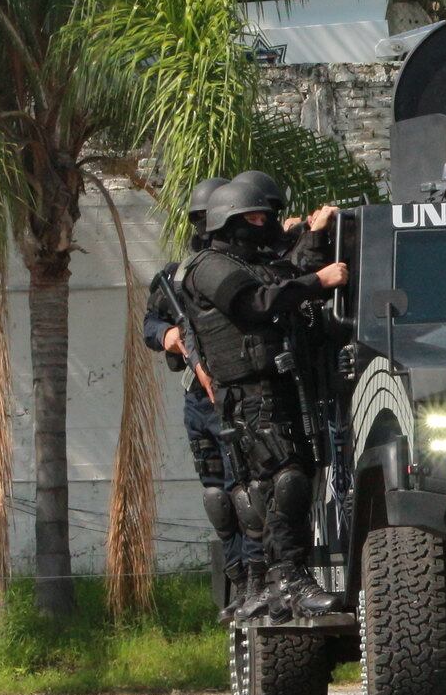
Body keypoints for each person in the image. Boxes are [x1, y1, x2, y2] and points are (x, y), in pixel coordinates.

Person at [181, 180, 349, 622]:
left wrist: (312, 239)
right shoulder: (210, 267)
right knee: (284, 479)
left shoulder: (254, 262)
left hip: (280, 387)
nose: (264, 225)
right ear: (226, 221)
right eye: (253, 218)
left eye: (266, 217)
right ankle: (286, 579)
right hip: (248, 395)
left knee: (293, 479)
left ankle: (281, 581)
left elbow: (289, 281)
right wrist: (318, 280)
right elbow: (255, 304)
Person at [143, 176, 264, 621]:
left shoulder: (242, 273)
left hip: (237, 393)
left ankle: (256, 575)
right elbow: (150, 328)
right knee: (217, 495)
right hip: (200, 400)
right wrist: (170, 335)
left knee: (247, 494)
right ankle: (235, 575)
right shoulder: (174, 279)